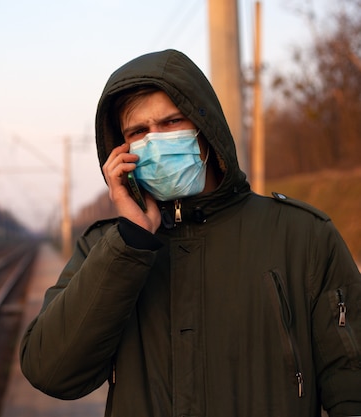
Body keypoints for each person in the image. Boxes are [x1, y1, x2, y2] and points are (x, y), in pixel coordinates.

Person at [19, 49, 361, 416]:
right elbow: (51, 371)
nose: (155, 140)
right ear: (121, 150)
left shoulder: (304, 235)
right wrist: (131, 242)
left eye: (171, 123)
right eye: (138, 131)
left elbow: (350, 381)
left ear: (205, 129)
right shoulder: (106, 248)